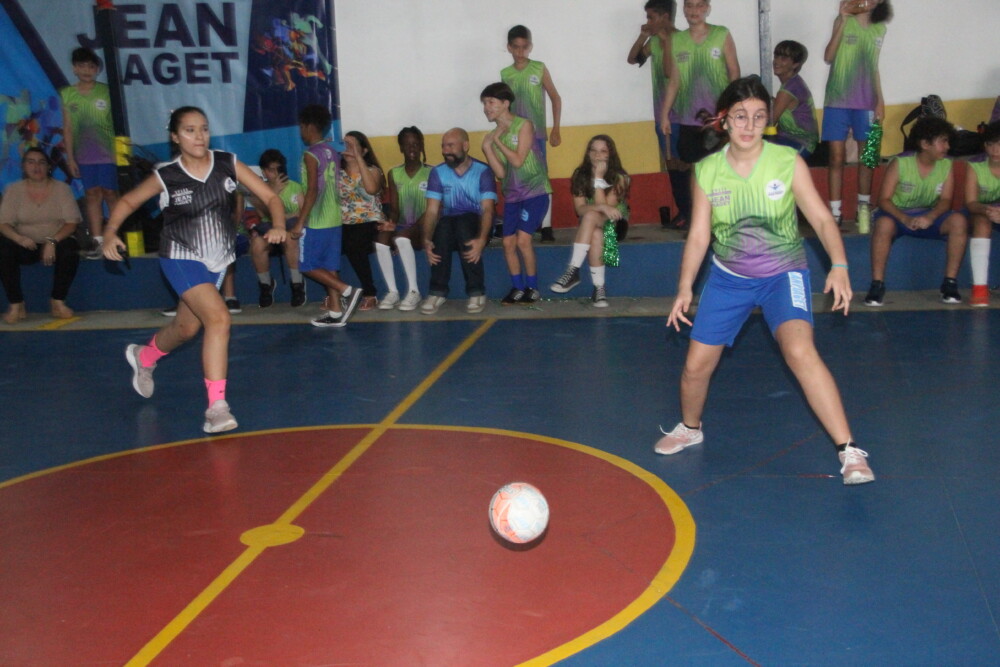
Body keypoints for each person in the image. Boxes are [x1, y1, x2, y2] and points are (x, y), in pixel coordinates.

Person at [655, 76, 874, 486]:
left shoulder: (787, 162)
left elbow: (821, 219)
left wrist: (840, 265)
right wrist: (685, 287)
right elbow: (699, 235)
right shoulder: (706, 171)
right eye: (740, 116)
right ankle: (690, 427)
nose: (749, 125)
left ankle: (849, 450)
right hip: (729, 278)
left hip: (783, 274)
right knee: (695, 367)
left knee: (800, 351)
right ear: (724, 120)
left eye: (758, 116)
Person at [102, 106, 287, 433]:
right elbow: (129, 201)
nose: (199, 136)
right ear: (175, 137)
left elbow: (270, 197)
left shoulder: (227, 163)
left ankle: (144, 357)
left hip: (217, 260)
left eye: (203, 128)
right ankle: (216, 408)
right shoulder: (167, 175)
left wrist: (280, 225)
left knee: (187, 329)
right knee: (219, 318)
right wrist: (110, 232)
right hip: (179, 255)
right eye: (189, 130)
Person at [864, 116, 967, 307]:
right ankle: (877, 285)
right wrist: (904, 218)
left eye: (947, 141)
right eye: (943, 141)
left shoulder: (946, 164)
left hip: (929, 216)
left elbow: (946, 201)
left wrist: (930, 217)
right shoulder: (900, 163)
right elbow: (883, 200)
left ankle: (950, 283)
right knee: (883, 224)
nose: (947, 146)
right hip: (898, 215)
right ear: (925, 144)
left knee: (959, 221)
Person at [659, 0, 740, 227]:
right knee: (696, 170)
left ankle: (725, 220)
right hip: (688, 118)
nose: (693, 11)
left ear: (707, 8)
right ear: (684, 10)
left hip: (718, 118)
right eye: (689, 6)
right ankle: (700, 221)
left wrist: (732, 110)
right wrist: (665, 115)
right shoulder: (677, 40)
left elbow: (734, 73)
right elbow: (674, 80)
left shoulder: (721, 34)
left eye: (698, 6)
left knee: (722, 169)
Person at [822, 0, 893, 228]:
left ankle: (863, 208)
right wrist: (843, 19)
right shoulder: (844, 21)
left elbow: (874, 66)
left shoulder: (880, 29)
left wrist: (880, 100)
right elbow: (828, 57)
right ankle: (835, 212)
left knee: (868, 156)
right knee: (836, 157)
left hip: (866, 102)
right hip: (837, 100)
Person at [292, 104, 363, 327]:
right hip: (334, 218)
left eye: (301, 127)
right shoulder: (331, 151)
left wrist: (300, 222)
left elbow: (313, 190)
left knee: (307, 265)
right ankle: (335, 311)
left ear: (308, 126)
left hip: (317, 220)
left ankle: (347, 290)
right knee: (329, 266)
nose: (300, 131)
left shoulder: (310, 154)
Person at [480, 82, 551, 305]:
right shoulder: (493, 135)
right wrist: (487, 148)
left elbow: (518, 160)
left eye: (490, 102)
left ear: (505, 103)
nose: (486, 108)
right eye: (484, 103)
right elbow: (501, 173)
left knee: (523, 240)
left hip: (534, 192)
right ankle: (518, 287)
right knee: (508, 243)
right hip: (512, 196)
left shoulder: (524, 125)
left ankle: (533, 287)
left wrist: (497, 141)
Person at [420, 128, 497, 315]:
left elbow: (487, 210)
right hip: (450, 226)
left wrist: (482, 239)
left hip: (477, 225)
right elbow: (431, 211)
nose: (446, 151)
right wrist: (426, 239)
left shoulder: (483, 171)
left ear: (465, 146)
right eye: (443, 146)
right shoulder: (437, 172)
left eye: (450, 146)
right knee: (443, 226)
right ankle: (437, 291)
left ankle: (476, 291)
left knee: (463, 223)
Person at [0, 147, 81, 323]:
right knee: (3, 248)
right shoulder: (13, 190)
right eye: (31, 162)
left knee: (70, 248)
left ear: (48, 167)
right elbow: (3, 224)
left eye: (41, 162)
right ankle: (16, 303)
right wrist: (19, 238)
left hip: (55, 241)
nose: (36, 167)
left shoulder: (62, 189)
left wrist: (52, 241)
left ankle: (58, 301)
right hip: (25, 244)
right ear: (23, 166)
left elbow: (71, 224)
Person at [550, 135, 629, 307]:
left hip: (614, 226)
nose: (597, 155)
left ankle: (573, 270)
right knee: (595, 231)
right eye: (593, 150)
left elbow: (608, 211)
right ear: (588, 153)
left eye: (603, 151)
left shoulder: (620, 176)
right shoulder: (580, 175)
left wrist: (598, 178)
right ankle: (599, 290)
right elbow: (580, 209)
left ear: (610, 154)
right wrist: (600, 207)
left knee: (591, 216)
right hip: (591, 225)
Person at [501, 24, 562, 243]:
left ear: (530, 46)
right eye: (516, 47)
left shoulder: (538, 68)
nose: (520, 52)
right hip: (513, 135)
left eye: (524, 47)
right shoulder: (506, 74)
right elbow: (503, 106)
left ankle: (546, 225)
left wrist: (555, 128)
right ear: (509, 47)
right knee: (518, 176)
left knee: (540, 177)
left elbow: (555, 97)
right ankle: (525, 223)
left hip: (536, 135)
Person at [59, 47, 118, 259]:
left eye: (91, 66)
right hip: (84, 155)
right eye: (82, 66)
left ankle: (115, 238)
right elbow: (67, 128)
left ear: (97, 69)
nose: (86, 70)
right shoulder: (67, 94)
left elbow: (117, 123)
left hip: (108, 153)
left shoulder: (107, 91)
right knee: (92, 195)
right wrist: (70, 158)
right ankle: (98, 242)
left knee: (110, 193)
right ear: (74, 68)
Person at [376, 126, 429, 311]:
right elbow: (395, 209)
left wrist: (409, 229)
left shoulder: (432, 172)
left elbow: (433, 209)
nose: (411, 148)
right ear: (401, 148)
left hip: (424, 227)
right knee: (381, 240)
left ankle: (414, 291)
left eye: (415, 144)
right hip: (403, 227)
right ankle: (393, 291)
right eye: (407, 144)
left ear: (421, 145)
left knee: (402, 237)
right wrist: (391, 223)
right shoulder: (394, 173)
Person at [246, 148, 306, 308]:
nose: (275, 173)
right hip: (269, 230)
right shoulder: (260, 190)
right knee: (257, 244)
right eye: (270, 170)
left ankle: (297, 284)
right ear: (264, 172)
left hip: (290, 230)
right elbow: (263, 214)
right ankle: (265, 285)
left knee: (290, 238)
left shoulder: (294, 187)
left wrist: (285, 218)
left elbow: (302, 213)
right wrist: (274, 193)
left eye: (278, 168)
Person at [627, 0, 676, 174]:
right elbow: (633, 59)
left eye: (651, 18)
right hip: (661, 113)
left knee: (686, 163)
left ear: (665, 17)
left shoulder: (683, 39)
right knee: (670, 165)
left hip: (684, 114)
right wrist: (643, 36)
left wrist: (667, 42)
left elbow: (671, 73)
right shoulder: (654, 42)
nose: (648, 22)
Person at [338, 130, 384, 311]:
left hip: (369, 220)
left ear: (364, 150)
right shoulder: (337, 173)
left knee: (353, 242)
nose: (348, 149)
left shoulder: (373, 170)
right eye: (345, 145)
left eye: (353, 146)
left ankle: (370, 293)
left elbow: (371, 189)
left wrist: (358, 159)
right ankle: (333, 294)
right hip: (343, 221)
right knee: (327, 242)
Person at [967, 121, 1000, 307]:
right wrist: (988, 210)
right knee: (982, 223)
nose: (995, 150)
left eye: (999, 144)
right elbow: (971, 203)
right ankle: (979, 288)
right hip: (980, 212)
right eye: (990, 144)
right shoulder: (975, 165)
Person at [769, 40, 819, 159]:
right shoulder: (794, 82)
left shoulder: (788, 90)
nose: (777, 61)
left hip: (801, 142)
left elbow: (770, 122)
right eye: (776, 56)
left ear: (795, 64)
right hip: (786, 137)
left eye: (783, 58)